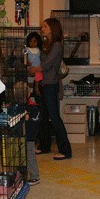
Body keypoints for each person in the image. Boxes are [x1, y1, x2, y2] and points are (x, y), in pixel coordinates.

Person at [29, 17, 72, 160]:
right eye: (42, 27)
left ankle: (65, 150)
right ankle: (44, 146)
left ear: (52, 29)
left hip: (51, 85)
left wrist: (34, 68)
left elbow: (46, 64)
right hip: (43, 84)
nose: (42, 29)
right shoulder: (47, 45)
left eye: (45, 27)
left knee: (54, 117)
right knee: (43, 117)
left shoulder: (57, 45)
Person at [24, 31, 43, 95]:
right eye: (31, 41)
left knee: (38, 73)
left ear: (38, 42)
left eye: (35, 41)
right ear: (28, 42)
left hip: (38, 67)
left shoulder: (39, 50)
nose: (33, 43)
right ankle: (36, 88)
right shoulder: (27, 49)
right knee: (38, 72)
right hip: (31, 68)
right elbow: (24, 58)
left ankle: (36, 88)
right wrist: (27, 63)